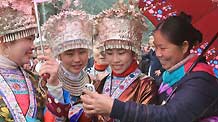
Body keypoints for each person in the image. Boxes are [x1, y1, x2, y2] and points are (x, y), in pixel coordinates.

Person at [81, 12, 218, 122]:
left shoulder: (201, 82)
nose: (157, 54)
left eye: (163, 48)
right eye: (155, 47)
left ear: (184, 46)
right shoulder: (167, 76)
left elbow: (171, 116)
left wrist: (113, 107)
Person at [82, 2, 158, 121]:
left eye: (121, 53)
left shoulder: (146, 85)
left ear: (133, 52)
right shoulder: (100, 83)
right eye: (110, 53)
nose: (115, 59)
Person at [39, 10, 94, 121]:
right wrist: (54, 86)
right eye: (69, 54)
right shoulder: (48, 81)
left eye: (82, 52)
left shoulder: (91, 80)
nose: (77, 59)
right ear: (59, 55)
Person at [0, 0, 46, 121]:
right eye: (28, 39)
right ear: (6, 42)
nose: (33, 46)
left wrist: (55, 84)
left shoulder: (37, 81)